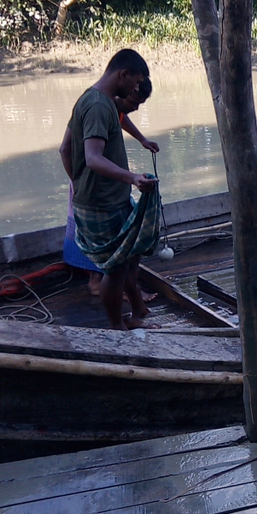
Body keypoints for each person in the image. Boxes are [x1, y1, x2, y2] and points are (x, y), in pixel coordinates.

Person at [63, 49, 159, 330]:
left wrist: (77, 182)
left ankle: (137, 313)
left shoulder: (94, 99)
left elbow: (64, 148)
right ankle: (117, 328)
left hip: (108, 198)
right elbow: (92, 158)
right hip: (101, 204)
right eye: (136, 83)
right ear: (123, 74)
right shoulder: (96, 106)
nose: (136, 89)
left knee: (129, 258)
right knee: (114, 269)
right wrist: (132, 177)